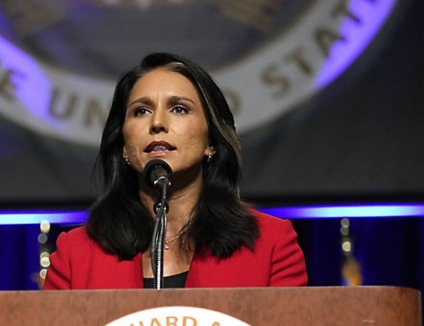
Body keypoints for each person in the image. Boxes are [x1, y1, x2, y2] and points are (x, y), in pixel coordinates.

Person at [43, 52, 307, 289]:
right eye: (141, 111)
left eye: (179, 109)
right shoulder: (75, 254)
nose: (157, 123)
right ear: (123, 146)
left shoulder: (271, 244)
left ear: (211, 142)